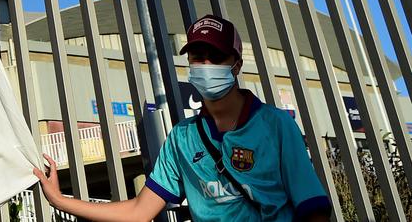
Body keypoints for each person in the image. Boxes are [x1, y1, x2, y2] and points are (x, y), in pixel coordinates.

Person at [32, 14, 332, 221]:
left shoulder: (276, 125)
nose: (205, 65)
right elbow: (140, 211)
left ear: (236, 66)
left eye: (215, 57)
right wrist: (61, 200)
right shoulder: (182, 138)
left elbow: (313, 208)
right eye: (197, 57)